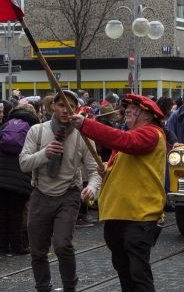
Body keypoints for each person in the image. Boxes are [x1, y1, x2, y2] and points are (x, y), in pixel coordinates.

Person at [70, 93, 166, 292]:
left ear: (149, 116)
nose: (128, 112)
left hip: (139, 215)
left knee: (138, 273)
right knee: (124, 270)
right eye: (128, 109)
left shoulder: (151, 133)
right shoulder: (132, 136)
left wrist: (86, 125)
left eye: (135, 110)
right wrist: (107, 169)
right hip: (119, 213)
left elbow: (125, 142)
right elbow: (128, 165)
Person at [20, 90, 101, 292]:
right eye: (62, 105)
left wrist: (91, 188)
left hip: (69, 195)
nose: (66, 110)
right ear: (53, 107)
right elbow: (23, 163)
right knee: (38, 251)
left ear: (77, 109)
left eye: (72, 106)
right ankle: (43, 287)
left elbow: (96, 170)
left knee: (62, 245)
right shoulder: (37, 131)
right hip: (40, 194)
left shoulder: (83, 136)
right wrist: (44, 154)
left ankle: (69, 287)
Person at [0, 104, 40, 256]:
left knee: (3, 212)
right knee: (17, 213)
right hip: (20, 175)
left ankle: (3, 247)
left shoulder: (5, 126)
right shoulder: (33, 128)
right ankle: (17, 246)